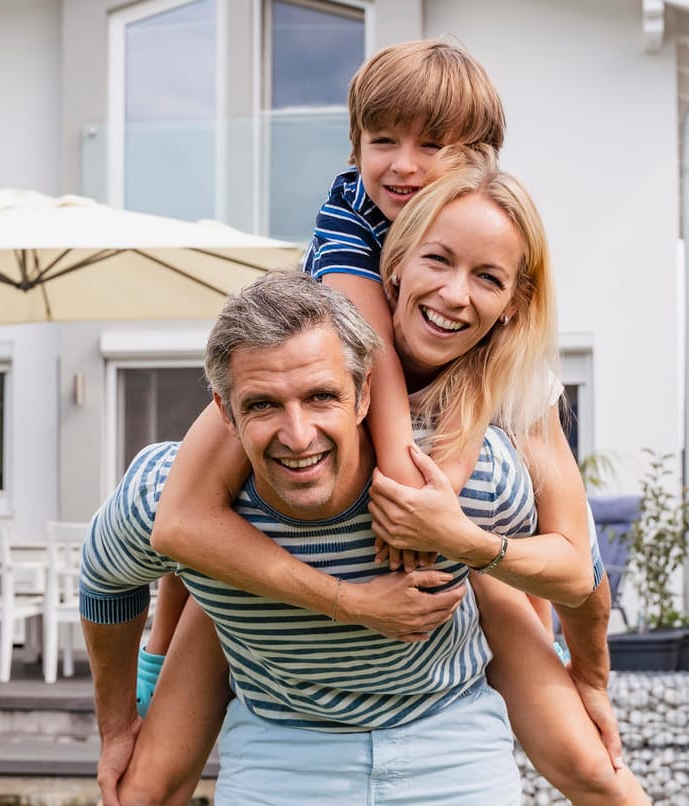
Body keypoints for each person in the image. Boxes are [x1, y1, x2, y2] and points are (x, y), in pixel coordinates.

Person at [138, 153, 648, 805]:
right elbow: (182, 529)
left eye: (487, 276)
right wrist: (153, 664)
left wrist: (591, 681)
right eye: (438, 260)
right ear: (395, 264)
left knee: (591, 767)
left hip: (459, 591)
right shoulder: (305, 361)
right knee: (150, 779)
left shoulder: (514, 389)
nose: (455, 293)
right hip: (269, 598)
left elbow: (580, 571)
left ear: (515, 302)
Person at [81, 270, 537, 805]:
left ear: (365, 394)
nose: (298, 436)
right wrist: (114, 728)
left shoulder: (466, 477)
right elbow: (103, 583)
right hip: (280, 754)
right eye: (263, 405)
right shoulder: (160, 492)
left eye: (321, 397)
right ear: (225, 412)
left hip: (449, 744)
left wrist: (585, 675)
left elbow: (560, 564)